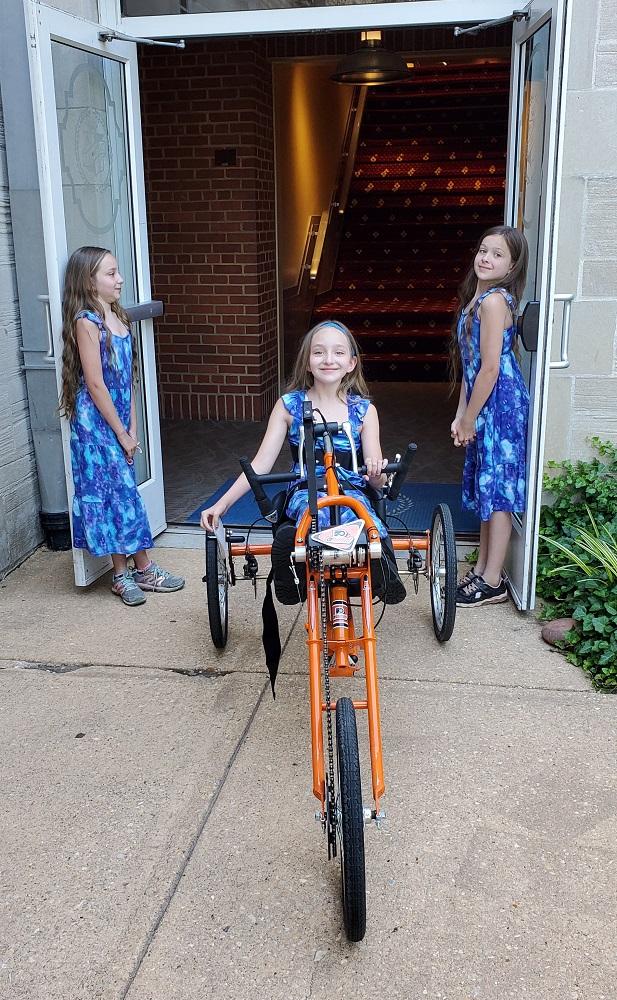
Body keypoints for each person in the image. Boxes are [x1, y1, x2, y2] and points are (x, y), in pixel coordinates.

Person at [200, 319, 406, 605]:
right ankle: (289, 563)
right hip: (306, 488)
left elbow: (377, 481)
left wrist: (376, 470)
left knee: (364, 520)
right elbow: (261, 464)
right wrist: (221, 505)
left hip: (352, 489)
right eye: (319, 352)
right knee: (311, 518)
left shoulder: (363, 411)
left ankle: (384, 570)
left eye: (338, 352)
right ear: (307, 362)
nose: (328, 359)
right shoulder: (289, 405)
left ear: (351, 363)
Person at [59, 246, 184, 606]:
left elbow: (127, 378)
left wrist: (132, 424)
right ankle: (124, 573)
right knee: (115, 496)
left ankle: (138, 569)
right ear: (89, 281)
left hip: (117, 421)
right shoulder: (88, 322)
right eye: (111, 274)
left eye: (118, 272)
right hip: (97, 426)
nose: (120, 279)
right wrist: (120, 432)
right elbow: (96, 384)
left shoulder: (117, 315)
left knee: (123, 493)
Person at [450, 225, 530, 608]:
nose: (487, 258)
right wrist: (460, 412)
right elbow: (471, 364)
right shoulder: (477, 299)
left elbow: (490, 369)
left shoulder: (495, 302)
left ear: (512, 266)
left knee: (497, 492)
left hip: (501, 405)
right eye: (484, 250)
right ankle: (481, 569)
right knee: (487, 486)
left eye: (498, 255)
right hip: (485, 401)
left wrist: (470, 418)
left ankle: (494, 579)